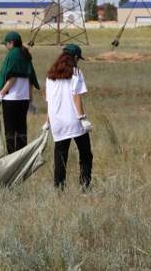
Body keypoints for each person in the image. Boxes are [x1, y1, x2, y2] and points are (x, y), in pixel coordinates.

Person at [45, 43, 92, 191]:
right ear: (76, 58)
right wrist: (82, 118)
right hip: (74, 121)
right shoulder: (76, 73)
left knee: (60, 157)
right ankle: (84, 186)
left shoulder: (50, 75)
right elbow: (76, 96)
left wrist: (47, 122)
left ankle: (59, 188)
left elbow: (50, 100)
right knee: (85, 154)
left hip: (57, 121)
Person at [0, 31, 40, 153]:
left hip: (11, 100)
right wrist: (30, 100)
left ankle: (11, 158)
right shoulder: (25, 54)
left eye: (6, 43)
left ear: (11, 43)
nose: (5, 46)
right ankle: (21, 157)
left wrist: (1, 94)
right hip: (23, 99)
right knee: (21, 130)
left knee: (10, 131)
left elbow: (12, 77)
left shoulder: (13, 54)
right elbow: (30, 80)